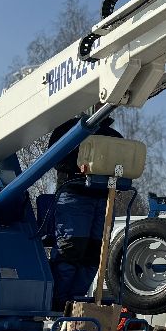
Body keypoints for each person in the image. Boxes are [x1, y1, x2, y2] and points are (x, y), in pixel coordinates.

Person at [44, 117, 122, 305]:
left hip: (102, 197)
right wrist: (79, 167)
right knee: (71, 250)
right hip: (74, 195)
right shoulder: (67, 130)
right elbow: (55, 159)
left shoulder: (113, 136)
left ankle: (76, 303)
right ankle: (57, 304)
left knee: (94, 253)